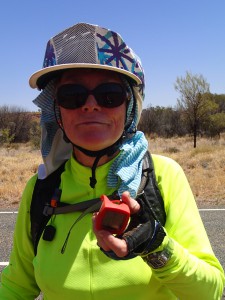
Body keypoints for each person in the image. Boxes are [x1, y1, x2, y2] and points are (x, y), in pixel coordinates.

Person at [0, 22, 224, 300]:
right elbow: (17, 286)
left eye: (109, 95)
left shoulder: (163, 176)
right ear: (56, 110)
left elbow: (210, 291)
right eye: (72, 96)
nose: (90, 105)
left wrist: (157, 248)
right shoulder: (41, 188)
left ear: (129, 107)